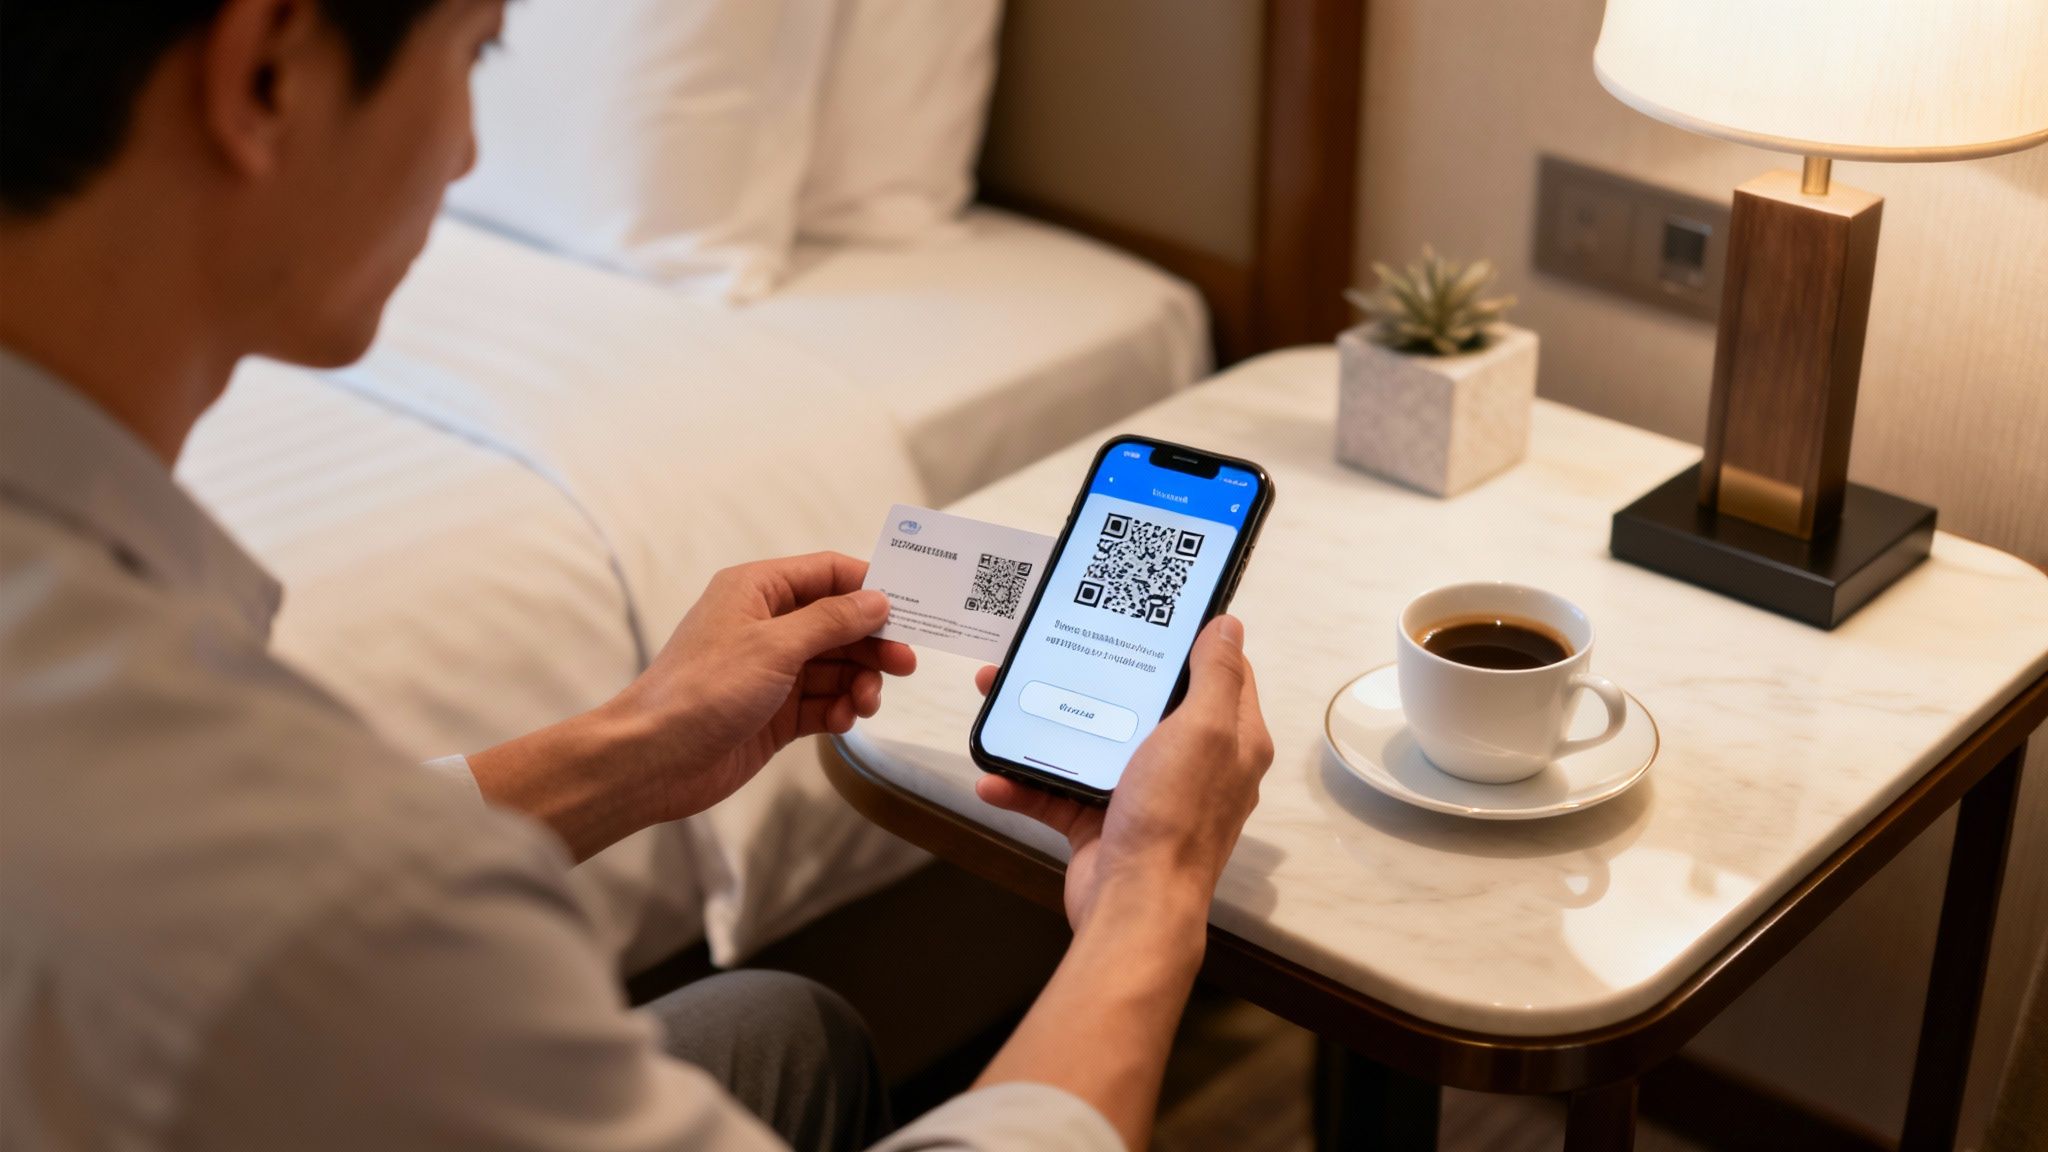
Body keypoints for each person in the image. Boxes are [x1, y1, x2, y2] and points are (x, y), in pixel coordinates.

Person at [0, 1, 1276, 1149]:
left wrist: (634, 742)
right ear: (267, 74)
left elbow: (272, 874)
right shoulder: (295, 893)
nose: (466, 156)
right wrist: (1150, 895)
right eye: (477, 51)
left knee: (780, 1034)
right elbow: (297, 898)